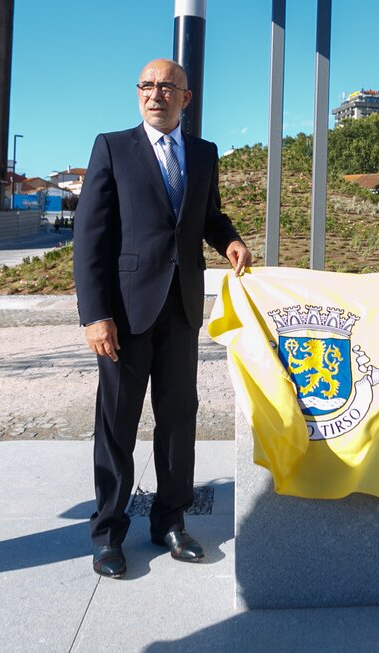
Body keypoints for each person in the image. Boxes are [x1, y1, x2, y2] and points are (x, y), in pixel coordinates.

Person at [73, 58, 252, 579]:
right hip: (125, 314)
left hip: (182, 308)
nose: (156, 94)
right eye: (147, 86)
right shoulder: (112, 147)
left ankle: (170, 522)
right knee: (117, 424)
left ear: (185, 98)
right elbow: (89, 236)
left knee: (178, 420)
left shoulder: (204, 153)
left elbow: (208, 215)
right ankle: (108, 533)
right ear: (138, 93)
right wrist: (95, 314)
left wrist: (229, 239)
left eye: (167, 87)